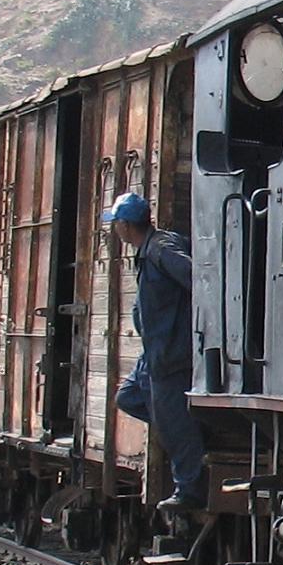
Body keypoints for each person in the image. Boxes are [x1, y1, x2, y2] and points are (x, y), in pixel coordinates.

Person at [104, 192, 207, 513]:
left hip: (171, 357)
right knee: (129, 397)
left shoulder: (162, 249)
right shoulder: (150, 250)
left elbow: (199, 281)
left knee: (175, 427)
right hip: (154, 357)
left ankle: (190, 489)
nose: (115, 231)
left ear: (124, 225)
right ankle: (196, 427)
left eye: (115, 225)